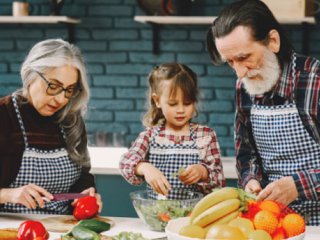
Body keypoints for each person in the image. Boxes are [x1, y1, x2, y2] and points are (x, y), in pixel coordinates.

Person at [206, 0, 320, 225]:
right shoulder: (244, 87)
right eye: (230, 62)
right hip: (270, 221)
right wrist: (250, 179)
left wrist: (298, 185)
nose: (239, 72)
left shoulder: (314, 81)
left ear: (273, 41)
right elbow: (246, 153)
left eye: (243, 57)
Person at [0, 39, 102, 215]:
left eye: (69, 90)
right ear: (30, 74)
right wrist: (7, 195)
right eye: (53, 86)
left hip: (62, 226)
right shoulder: (4, 115)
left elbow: (83, 176)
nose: (62, 99)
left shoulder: (71, 120)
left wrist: (85, 193)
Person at [119, 63, 225, 199]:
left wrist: (203, 171)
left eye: (187, 103)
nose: (181, 110)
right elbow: (125, 162)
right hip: (159, 215)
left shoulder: (205, 135)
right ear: (157, 101)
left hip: (194, 217)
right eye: (173, 103)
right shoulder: (150, 135)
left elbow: (219, 181)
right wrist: (145, 167)